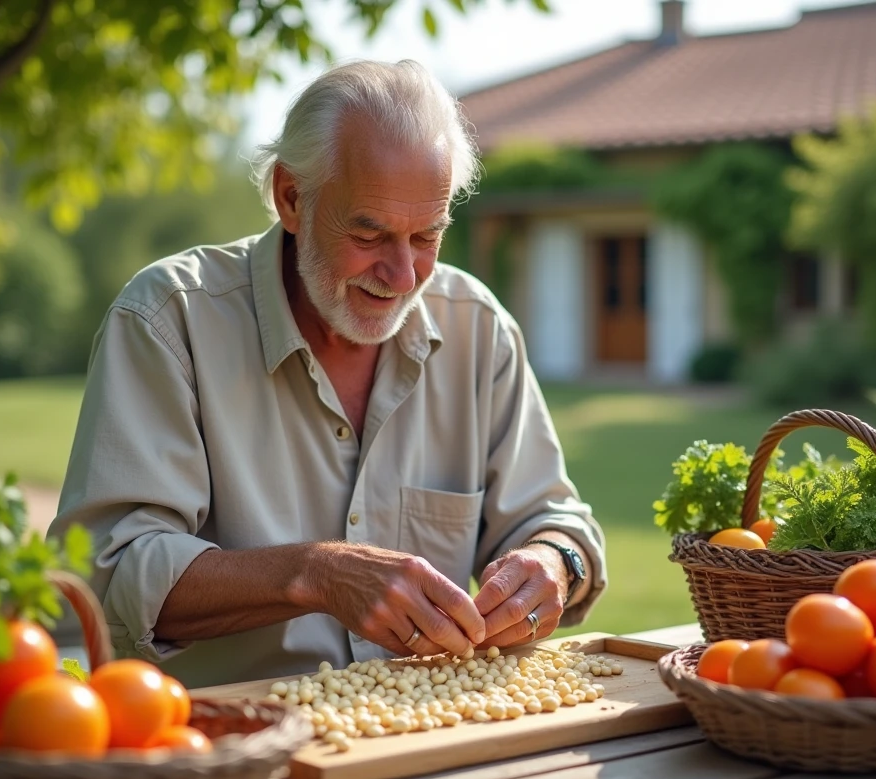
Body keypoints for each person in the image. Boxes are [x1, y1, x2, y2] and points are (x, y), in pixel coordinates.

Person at [49, 59, 606, 689]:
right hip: (223, 748)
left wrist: (551, 562)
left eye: (427, 235)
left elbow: (559, 522)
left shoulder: (479, 327)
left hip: (421, 740)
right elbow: (104, 576)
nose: (402, 276)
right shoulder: (167, 319)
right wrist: (314, 574)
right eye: (369, 232)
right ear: (291, 197)